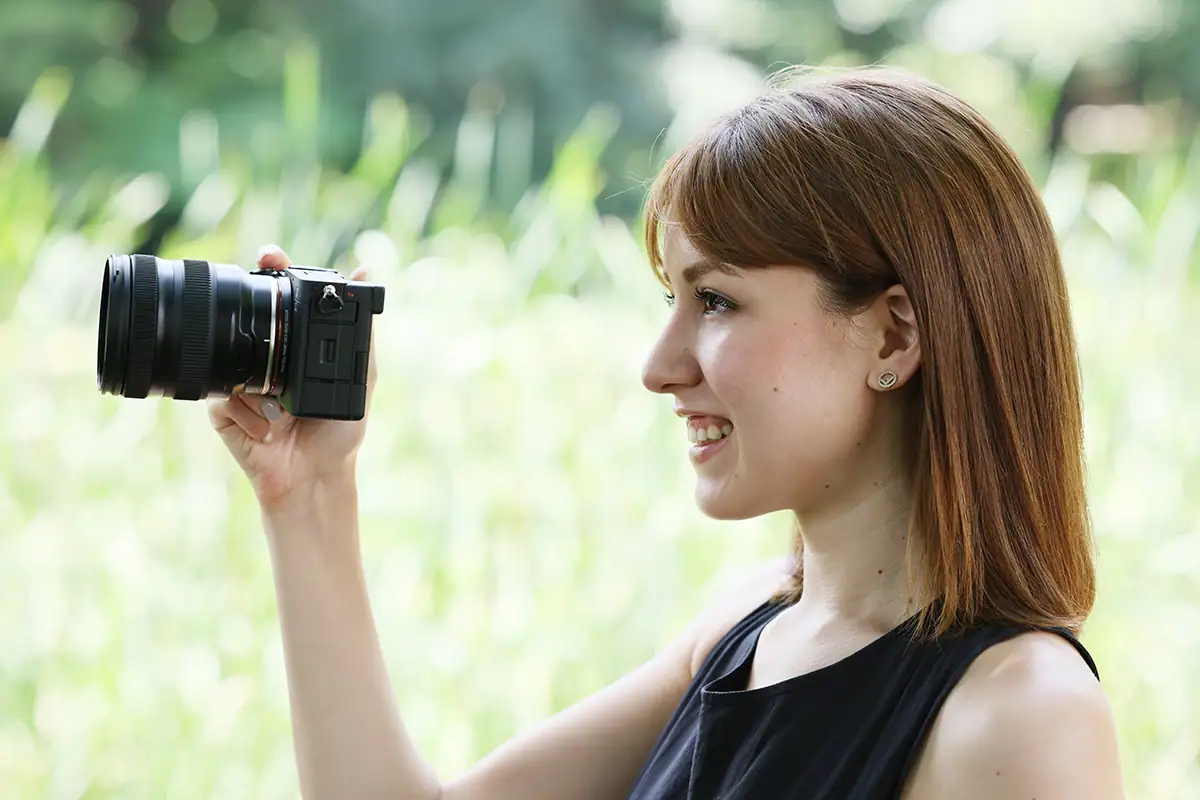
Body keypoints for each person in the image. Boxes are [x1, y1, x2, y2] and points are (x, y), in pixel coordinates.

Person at [208, 66, 1125, 799]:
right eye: (672, 300)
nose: (659, 365)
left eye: (718, 300)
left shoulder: (1021, 717)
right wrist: (309, 496)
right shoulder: (748, 626)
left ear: (894, 334)